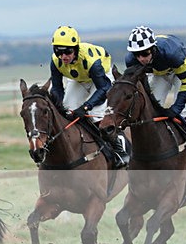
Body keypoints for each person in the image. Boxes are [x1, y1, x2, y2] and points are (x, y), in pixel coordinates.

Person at [125, 25, 186, 168]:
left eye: (145, 53)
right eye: (137, 54)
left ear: (153, 48)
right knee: (151, 109)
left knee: (183, 111)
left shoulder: (172, 53)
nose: (141, 58)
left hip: (180, 70)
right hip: (159, 73)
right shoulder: (131, 60)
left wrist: (176, 108)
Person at [50, 25, 129, 168]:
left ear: (76, 49)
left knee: (97, 116)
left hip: (101, 80)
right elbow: (56, 87)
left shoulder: (91, 62)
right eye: (58, 52)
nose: (63, 56)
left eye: (67, 51)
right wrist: (59, 104)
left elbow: (103, 88)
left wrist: (86, 107)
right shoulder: (55, 61)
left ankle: (120, 147)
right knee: (68, 112)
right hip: (79, 79)